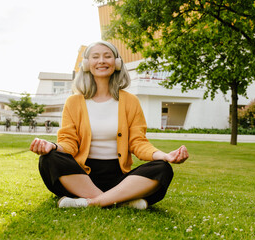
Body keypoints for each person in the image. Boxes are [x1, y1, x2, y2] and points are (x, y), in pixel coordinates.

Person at [30, 40, 189, 210]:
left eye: (108, 56)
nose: (102, 61)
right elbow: (69, 143)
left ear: (117, 63)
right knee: (49, 159)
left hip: (120, 178)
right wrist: (52, 146)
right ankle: (121, 200)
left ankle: (91, 202)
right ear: (86, 64)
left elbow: (138, 142)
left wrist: (165, 156)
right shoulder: (73, 102)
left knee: (162, 168)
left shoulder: (130, 101)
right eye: (95, 57)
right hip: (82, 176)